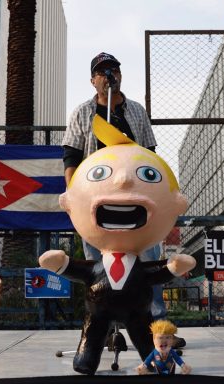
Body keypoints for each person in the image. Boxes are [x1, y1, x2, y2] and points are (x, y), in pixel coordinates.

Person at [40, 118, 196, 374]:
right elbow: (84, 271)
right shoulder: (84, 114)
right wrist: (63, 264)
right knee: (92, 333)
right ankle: (86, 360)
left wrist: (171, 267)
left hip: (138, 311)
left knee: (145, 337)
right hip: (98, 311)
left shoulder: (135, 112)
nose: (123, 181)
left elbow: (152, 273)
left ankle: (153, 357)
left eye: (147, 175)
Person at [62, 52, 180, 335]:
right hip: (97, 203)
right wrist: (72, 196)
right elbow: (71, 157)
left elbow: (150, 154)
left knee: (149, 264)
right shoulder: (82, 113)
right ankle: (104, 330)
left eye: (113, 69)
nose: (108, 76)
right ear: (93, 80)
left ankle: (156, 329)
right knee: (97, 267)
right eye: (102, 72)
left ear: (121, 75)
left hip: (136, 200)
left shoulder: (137, 111)